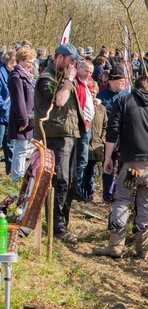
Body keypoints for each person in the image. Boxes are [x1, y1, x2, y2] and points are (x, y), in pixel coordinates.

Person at [93, 75, 148, 259]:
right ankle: (142, 250)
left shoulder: (123, 101)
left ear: (134, 88)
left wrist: (108, 158)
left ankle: (115, 246)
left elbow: (112, 131)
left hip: (132, 164)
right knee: (147, 205)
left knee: (123, 200)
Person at [33, 43, 85, 244]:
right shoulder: (46, 79)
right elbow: (60, 101)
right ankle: (57, 227)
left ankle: (64, 222)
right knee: (59, 181)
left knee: (70, 182)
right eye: (71, 61)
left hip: (70, 135)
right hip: (54, 136)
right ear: (60, 57)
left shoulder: (63, 78)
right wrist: (69, 80)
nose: (73, 65)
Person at [97, 65, 129, 203]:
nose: (121, 84)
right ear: (110, 81)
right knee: (108, 163)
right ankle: (107, 194)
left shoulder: (126, 96)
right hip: (107, 135)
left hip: (123, 135)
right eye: (119, 82)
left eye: (123, 82)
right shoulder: (101, 95)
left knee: (122, 165)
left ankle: (118, 191)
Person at [8, 47, 36, 182]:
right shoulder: (16, 76)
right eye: (28, 61)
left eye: (32, 61)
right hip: (22, 119)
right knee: (20, 150)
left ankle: (25, 177)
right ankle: (17, 178)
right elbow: (19, 100)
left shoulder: (29, 76)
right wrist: (23, 121)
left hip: (30, 118)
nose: (30, 64)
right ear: (21, 60)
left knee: (28, 149)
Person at [82, 81, 107, 202]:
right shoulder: (83, 106)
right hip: (84, 143)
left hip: (96, 144)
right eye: (90, 92)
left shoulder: (101, 109)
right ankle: (81, 193)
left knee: (91, 170)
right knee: (82, 168)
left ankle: (90, 193)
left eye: (94, 92)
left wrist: (102, 139)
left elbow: (106, 126)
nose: (92, 94)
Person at [74, 61, 95, 201]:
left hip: (87, 125)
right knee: (81, 160)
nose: (89, 74)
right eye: (86, 71)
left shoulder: (86, 83)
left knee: (84, 160)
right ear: (79, 68)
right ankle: (77, 192)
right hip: (81, 126)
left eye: (91, 72)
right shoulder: (76, 84)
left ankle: (79, 190)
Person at [0, 50, 15, 175]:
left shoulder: (11, 73)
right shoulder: (1, 73)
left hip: (9, 114)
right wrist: (3, 107)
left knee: (9, 145)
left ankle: (10, 172)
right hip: (2, 114)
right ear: (10, 63)